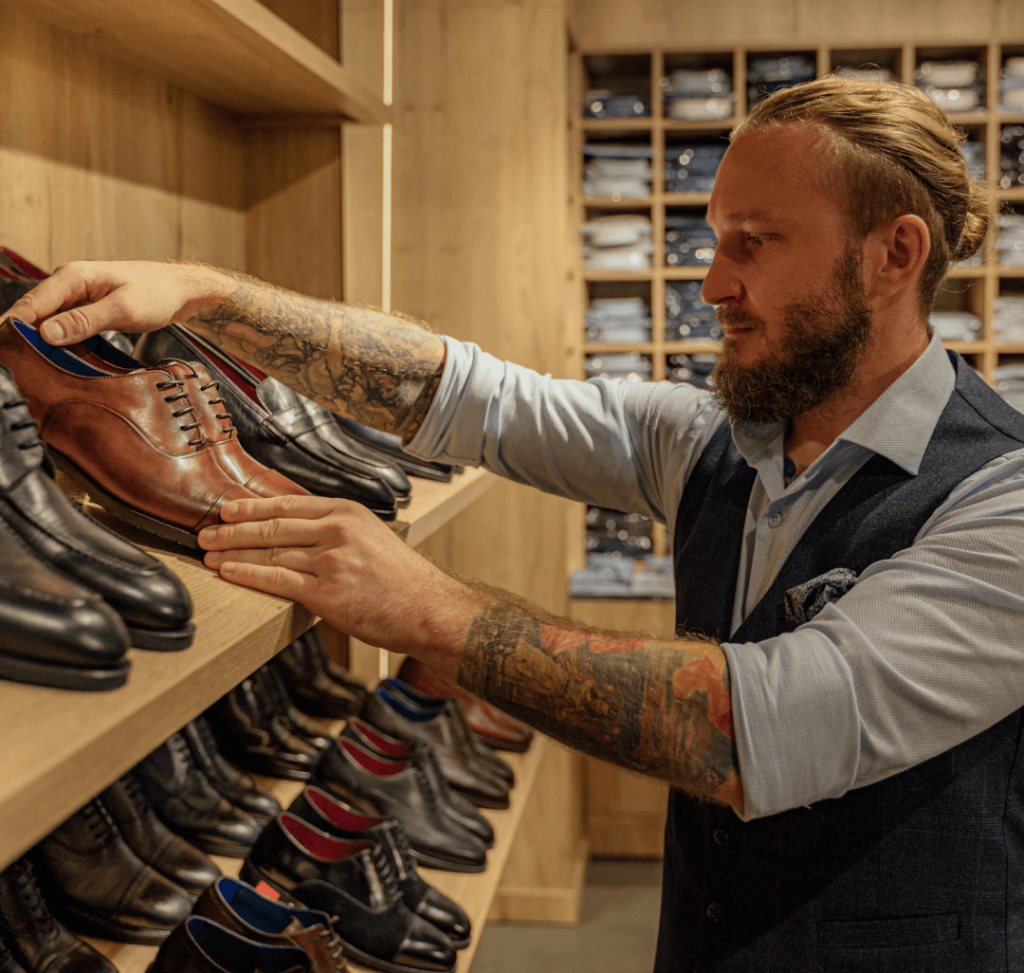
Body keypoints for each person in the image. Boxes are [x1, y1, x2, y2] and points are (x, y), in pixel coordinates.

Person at [7, 74, 1024, 971]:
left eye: (754, 245)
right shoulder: (728, 437)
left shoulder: (1002, 498)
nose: (713, 283)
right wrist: (213, 297)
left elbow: (764, 726)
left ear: (894, 255)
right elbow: (470, 395)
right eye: (715, 240)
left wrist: (433, 613)